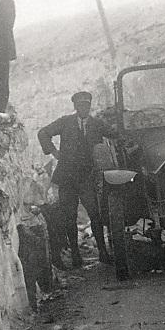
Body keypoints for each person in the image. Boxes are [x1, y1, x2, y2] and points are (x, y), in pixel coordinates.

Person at [37, 91, 113, 267]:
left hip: (87, 177)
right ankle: (76, 255)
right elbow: (43, 133)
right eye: (80, 105)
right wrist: (53, 151)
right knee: (69, 217)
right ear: (75, 107)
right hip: (67, 178)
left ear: (90, 106)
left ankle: (103, 252)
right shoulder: (65, 122)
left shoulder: (96, 124)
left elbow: (115, 134)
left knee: (95, 214)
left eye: (86, 105)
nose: (83, 108)